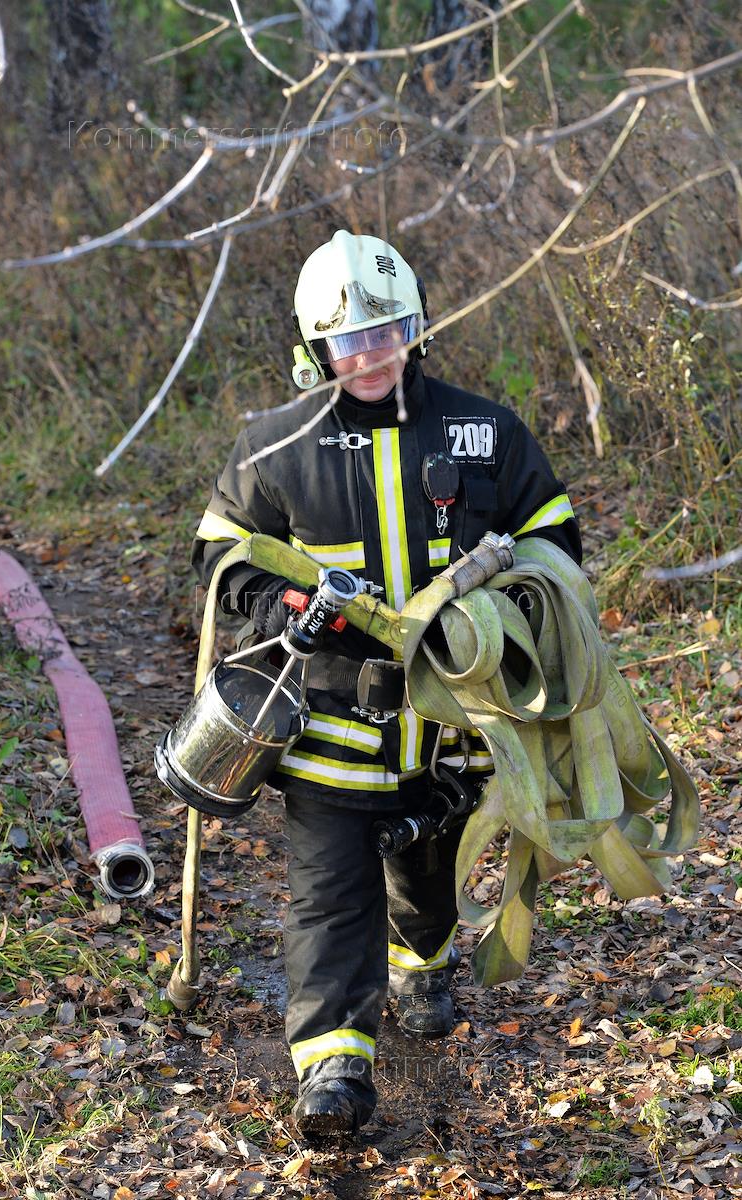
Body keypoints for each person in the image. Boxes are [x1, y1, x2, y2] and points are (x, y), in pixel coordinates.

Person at [191, 230, 582, 1137]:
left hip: (449, 733)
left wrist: (511, 606)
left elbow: (554, 534)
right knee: (329, 898)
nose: (370, 357)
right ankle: (333, 1067)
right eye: (348, 342)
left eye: (388, 333)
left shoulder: (486, 432)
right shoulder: (273, 446)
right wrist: (285, 605)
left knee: (426, 880)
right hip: (326, 731)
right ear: (313, 350)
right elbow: (219, 557)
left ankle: (424, 962)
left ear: (418, 328)